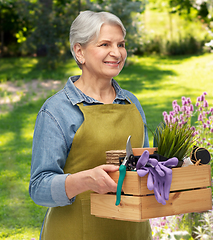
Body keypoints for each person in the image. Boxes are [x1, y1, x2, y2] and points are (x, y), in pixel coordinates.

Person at [29, 11, 152, 239]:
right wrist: (85, 180)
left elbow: (142, 168)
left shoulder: (132, 103)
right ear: (79, 51)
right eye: (104, 44)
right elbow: (38, 188)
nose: (116, 53)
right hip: (75, 231)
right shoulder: (57, 110)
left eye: (121, 44)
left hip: (133, 232)